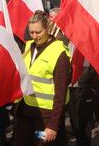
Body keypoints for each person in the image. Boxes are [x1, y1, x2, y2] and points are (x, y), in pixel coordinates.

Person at [13, 10, 70, 146]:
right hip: (26, 111)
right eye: (31, 32)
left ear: (47, 29)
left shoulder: (59, 53)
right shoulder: (28, 47)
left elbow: (60, 93)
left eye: (38, 32)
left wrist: (53, 125)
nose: (34, 36)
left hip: (46, 115)